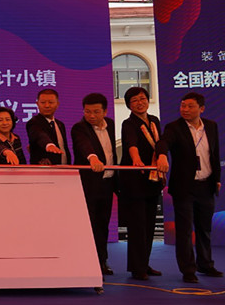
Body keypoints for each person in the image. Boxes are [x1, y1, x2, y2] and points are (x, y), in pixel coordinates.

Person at [156, 92, 222, 283]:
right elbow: (163, 142)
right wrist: (162, 155)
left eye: (190, 106)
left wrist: (217, 179)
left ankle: (206, 264)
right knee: (184, 230)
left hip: (206, 185)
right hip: (184, 187)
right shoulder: (174, 127)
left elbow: (215, 154)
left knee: (204, 228)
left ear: (201, 109)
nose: (185, 109)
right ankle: (188, 270)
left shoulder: (211, 126)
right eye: (183, 105)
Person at [70, 92, 118, 276]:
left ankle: (101, 261)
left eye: (96, 112)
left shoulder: (111, 125)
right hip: (88, 184)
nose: (91, 115)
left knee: (102, 225)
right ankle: (85, 263)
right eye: (87, 111)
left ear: (105, 111)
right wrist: (93, 158)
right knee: (87, 225)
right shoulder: (79, 128)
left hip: (107, 183)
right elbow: (83, 145)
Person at [118, 87, 163, 281]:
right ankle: (137, 268)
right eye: (135, 100)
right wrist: (136, 160)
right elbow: (131, 144)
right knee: (137, 226)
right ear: (129, 104)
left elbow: (160, 144)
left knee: (149, 225)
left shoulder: (154, 121)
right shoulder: (129, 123)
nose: (140, 103)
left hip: (152, 179)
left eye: (143, 98)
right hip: (134, 179)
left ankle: (144, 263)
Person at [26, 88, 71, 165]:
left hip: (65, 169)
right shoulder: (34, 122)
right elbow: (39, 135)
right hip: (44, 169)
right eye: (43, 102)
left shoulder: (60, 124)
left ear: (57, 104)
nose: (47, 106)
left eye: (51, 102)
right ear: (37, 104)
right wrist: (48, 145)